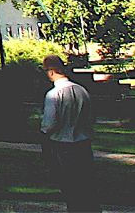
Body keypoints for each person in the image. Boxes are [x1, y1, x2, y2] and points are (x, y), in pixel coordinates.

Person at [39, 53, 97, 212]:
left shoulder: (53, 95)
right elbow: (91, 117)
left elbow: (49, 123)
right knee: (87, 186)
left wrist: (44, 134)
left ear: (51, 72)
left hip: (63, 144)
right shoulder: (82, 91)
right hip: (83, 143)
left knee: (70, 186)